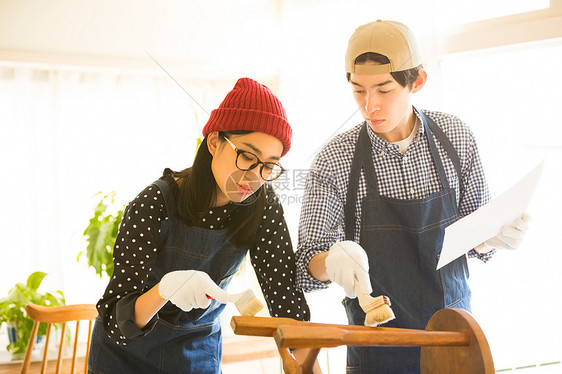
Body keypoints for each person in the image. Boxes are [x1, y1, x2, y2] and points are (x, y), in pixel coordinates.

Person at [295, 20, 530, 373]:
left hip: (455, 342)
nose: (369, 105)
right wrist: (332, 261)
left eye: (384, 90)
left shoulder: (456, 137)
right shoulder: (334, 159)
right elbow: (307, 263)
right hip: (377, 349)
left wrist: (493, 236)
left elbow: (478, 239)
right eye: (358, 90)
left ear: (417, 81)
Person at [88, 77, 312, 374]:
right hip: (125, 360)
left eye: (269, 165)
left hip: (197, 356)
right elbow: (115, 324)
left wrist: (305, 361)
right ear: (215, 141)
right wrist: (164, 290)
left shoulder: (263, 204)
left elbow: (284, 296)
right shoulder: (154, 204)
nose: (255, 176)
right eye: (247, 156)